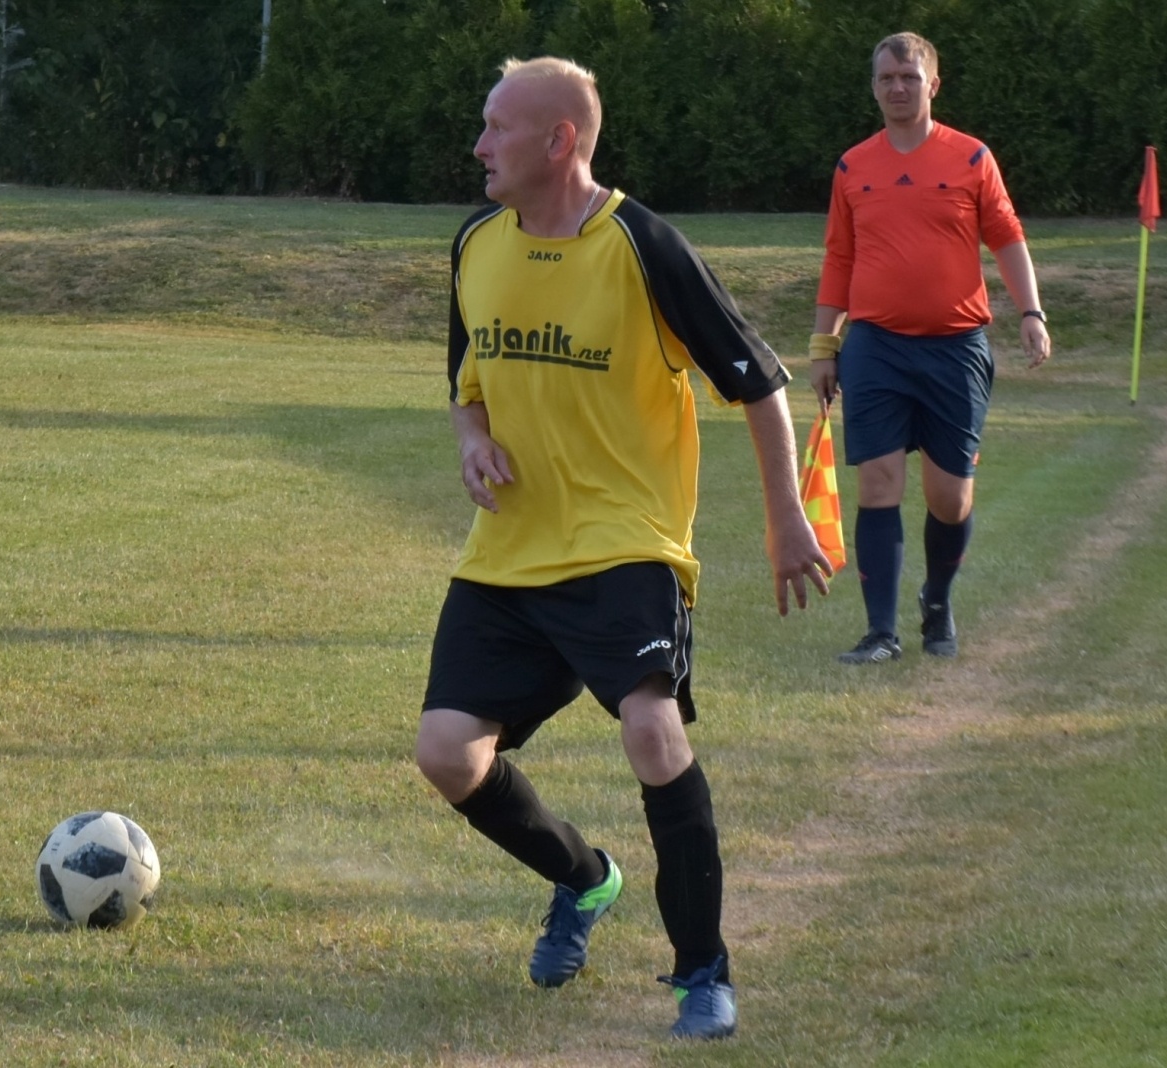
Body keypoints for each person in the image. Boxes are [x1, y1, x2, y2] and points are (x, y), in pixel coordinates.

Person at [414, 56, 831, 1041]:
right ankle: (583, 879)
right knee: (446, 755)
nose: (478, 146)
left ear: (558, 140)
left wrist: (785, 518)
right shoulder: (476, 242)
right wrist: (473, 441)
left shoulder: (643, 245)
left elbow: (758, 383)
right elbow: (465, 380)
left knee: (652, 731)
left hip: (624, 546)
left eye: (497, 127)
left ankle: (703, 974)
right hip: (508, 554)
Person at [809, 31, 1051, 665]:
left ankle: (936, 601)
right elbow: (839, 258)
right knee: (878, 483)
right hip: (875, 348)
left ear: (933, 85)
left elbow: (1008, 237)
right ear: (873, 87)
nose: (897, 88)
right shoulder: (852, 167)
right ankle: (880, 633)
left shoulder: (971, 158)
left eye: (909, 78)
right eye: (886, 79)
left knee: (951, 497)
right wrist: (823, 347)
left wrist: (1030, 312)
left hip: (955, 348)